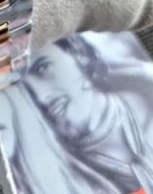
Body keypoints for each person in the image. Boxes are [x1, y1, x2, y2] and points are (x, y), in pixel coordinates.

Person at [24, 33, 153, 194]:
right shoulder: (53, 173)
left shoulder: (144, 100)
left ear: (80, 57)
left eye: (42, 68)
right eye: (25, 89)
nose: (40, 97)